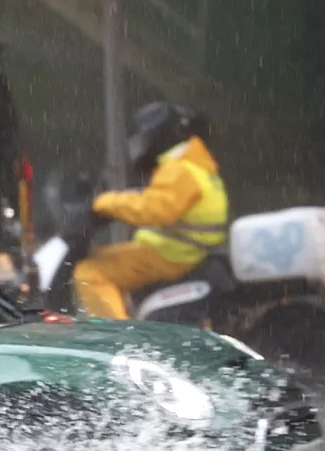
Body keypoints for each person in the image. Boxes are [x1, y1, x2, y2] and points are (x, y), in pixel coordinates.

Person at [73, 101, 228, 319]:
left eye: (141, 144)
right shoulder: (195, 166)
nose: (139, 152)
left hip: (170, 255)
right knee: (99, 257)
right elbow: (156, 200)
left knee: (89, 272)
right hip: (181, 252)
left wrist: (103, 204)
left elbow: (152, 209)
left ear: (156, 138)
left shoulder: (179, 169)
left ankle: (120, 339)